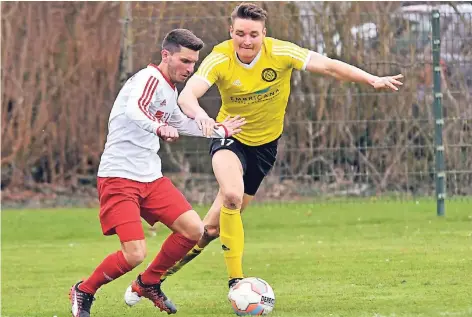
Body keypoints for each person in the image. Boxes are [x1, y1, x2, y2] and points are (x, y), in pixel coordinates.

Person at [152, 2, 405, 291]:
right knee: (231, 196)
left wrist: (371, 79)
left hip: (264, 147)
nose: (246, 40)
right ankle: (236, 282)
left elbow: (329, 66)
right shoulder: (220, 57)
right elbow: (187, 97)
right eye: (240, 33)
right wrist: (202, 117)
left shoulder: (281, 52)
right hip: (228, 137)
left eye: (253, 34)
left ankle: (153, 278)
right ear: (230, 31)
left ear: (264, 34)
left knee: (210, 229)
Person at [69, 28, 245, 317]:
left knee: (194, 230)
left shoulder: (168, 89)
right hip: (120, 177)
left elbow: (181, 122)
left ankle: (149, 282)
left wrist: (219, 129)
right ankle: (84, 290)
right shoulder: (147, 79)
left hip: (150, 177)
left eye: (193, 63)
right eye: (185, 61)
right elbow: (134, 110)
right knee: (134, 253)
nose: (190, 69)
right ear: (166, 55)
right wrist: (157, 127)